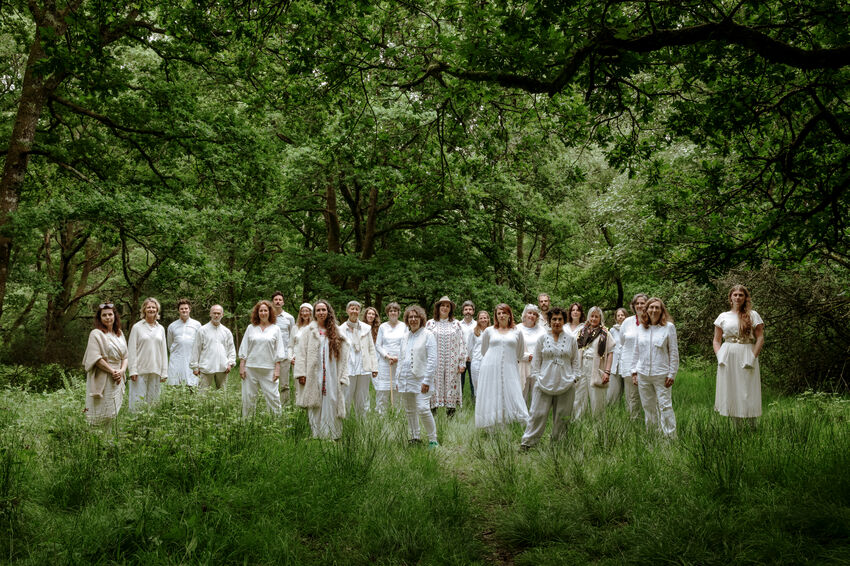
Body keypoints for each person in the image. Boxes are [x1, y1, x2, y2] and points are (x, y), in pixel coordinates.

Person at [521, 307, 579, 448]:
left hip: (565, 383)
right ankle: (528, 443)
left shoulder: (571, 340)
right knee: (537, 414)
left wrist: (574, 378)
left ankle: (558, 445)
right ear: (549, 321)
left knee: (562, 416)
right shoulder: (542, 339)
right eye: (554, 319)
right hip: (543, 382)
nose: (557, 322)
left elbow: (576, 361)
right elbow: (536, 362)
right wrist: (537, 377)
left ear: (564, 321)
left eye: (560, 319)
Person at [294, 300, 350, 439]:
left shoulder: (337, 331)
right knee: (315, 400)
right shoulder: (308, 331)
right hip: (314, 372)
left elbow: (345, 355)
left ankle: (332, 434)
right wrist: (301, 373)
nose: (321, 313)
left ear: (328, 311)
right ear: (314, 313)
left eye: (323, 310)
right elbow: (301, 353)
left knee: (332, 399)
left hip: (332, 371)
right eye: (318, 310)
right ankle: (317, 434)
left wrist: (343, 375)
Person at [713, 285, 765, 425]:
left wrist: (753, 357)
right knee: (731, 389)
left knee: (747, 388)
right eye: (735, 294)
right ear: (730, 297)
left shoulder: (753, 315)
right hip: (727, 355)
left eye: (741, 295)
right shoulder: (723, 316)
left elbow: (760, 338)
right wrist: (720, 356)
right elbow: (716, 340)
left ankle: (752, 425)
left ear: (745, 297)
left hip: (747, 352)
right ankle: (736, 427)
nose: (737, 297)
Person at [475, 304, 529, 429]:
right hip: (490, 367)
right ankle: (492, 423)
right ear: (496, 316)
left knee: (512, 392)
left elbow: (520, 353)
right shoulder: (489, 331)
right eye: (498, 313)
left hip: (510, 367)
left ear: (509, 314)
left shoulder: (517, 331)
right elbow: (484, 351)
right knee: (493, 393)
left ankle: (514, 421)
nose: (501, 315)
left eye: (504, 313)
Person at [631, 297, 679, 437]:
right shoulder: (641, 328)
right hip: (643, 374)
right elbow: (636, 351)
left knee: (665, 406)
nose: (654, 310)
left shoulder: (668, 327)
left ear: (662, 310)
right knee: (648, 406)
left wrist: (672, 374)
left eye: (657, 307)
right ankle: (652, 435)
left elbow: (674, 352)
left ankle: (670, 437)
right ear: (646, 310)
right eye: (651, 307)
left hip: (661, 374)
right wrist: (634, 372)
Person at [394, 305, 439, 447]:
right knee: (409, 410)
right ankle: (415, 437)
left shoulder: (428, 335)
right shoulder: (405, 337)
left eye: (416, 317)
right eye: (410, 317)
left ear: (421, 318)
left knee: (423, 409)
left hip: (421, 379)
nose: (413, 319)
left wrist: (427, 381)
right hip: (405, 378)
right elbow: (401, 359)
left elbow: (432, 360)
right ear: (407, 320)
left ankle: (433, 440)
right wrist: (397, 379)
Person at [238, 300, 286, 417]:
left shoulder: (275, 329)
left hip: (269, 369)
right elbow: (244, 347)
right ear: (257, 313)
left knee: (273, 398)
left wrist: (277, 369)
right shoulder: (251, 328)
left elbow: (279, 350)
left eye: (265, 310)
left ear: (270, 312)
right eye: (261, 311)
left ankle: (276, 422)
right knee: (248, 398)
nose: (263, 313)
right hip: (251, 368)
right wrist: (242, 366)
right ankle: (247, 422)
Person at [82, 302, 127, 427]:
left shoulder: (119, 334)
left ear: (115, 316)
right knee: (100, 410)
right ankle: (96, 435)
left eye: (110, 314)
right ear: (100, 318)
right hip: (104, 375)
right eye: (104, 315)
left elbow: (125, 356)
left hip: (118, 376)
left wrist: (122, 371)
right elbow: (96, 358)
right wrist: (113, 371)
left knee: (112, 412)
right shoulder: (96, 334)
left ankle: (109, 436)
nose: (108, 317)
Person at [426, 296, 467, 417]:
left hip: (452, 362)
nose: (445, 308)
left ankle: (450, 416)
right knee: (434, 385)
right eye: (442, 305)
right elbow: (424, 343)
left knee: (451, 385)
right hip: (435, 362)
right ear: (438, 308)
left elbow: (462, 343)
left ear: (450, 309)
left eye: (447, 306)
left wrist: (462, 362)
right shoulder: (430, 324)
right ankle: (433, 416)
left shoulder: (456, 324)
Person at [127, 297, 168, 411]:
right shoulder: (137, 327)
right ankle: (136, 421)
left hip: (156, 370)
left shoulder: (160, 329)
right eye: (148, 307)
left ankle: (151, 421)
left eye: (153, 307)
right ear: (144, 309)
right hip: (140, 370)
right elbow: (131, 350)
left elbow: (163, 351)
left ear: (157, 310)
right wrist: (132, 370)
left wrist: (164, 372)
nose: (151, 309)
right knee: (137, 402)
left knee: (153, 401)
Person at [339, 300, 378, 416]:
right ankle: (345, 421)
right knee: (346, 397)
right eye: (352, 309)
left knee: (362, 399)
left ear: (359, 312)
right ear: (347, 311)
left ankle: (361, 422)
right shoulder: (340, 330)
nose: (354, 311)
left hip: (363, 368)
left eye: (357, 309)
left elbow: (371, 348)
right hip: (348, 369)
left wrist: (374, 367)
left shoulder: (366, 328)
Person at [574, 307, 614, 419]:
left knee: (597, 398)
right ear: (588, 317)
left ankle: (598, 424)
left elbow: (610, 353)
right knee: (579, 396)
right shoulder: (582, 332)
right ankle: (577, 422)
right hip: (582, 365)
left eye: (596, 316)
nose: (594, 319)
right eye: (592, 316)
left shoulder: (605, 333)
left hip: (596, 366)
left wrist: (607, 372)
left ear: (600, 318)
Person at [190, 304, 236, 391]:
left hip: (223, 367)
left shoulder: (226, 331)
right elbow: (196, 349)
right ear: (210, 314)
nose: (216, 315)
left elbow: (231, 349)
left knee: (222, 394)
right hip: (206, 368)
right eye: (214, 313)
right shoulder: (202, 330)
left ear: (222, 315)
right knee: (202, 394)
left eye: (218, 313)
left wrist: (230, 363)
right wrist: (195, 366)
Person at [617, 294, 648, 419]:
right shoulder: (627, 322)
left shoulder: (651, 321)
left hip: (647, 364)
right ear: (633, 306)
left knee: (648, 396)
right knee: (632, 397)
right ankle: (633, 421)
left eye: (642, 303)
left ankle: (649, 422)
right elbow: (622, 341)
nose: (639, 306)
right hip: (629, 364)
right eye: (637, 303)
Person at [374, 302, 406, 413]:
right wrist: (388, 357)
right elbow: (378, 345)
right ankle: (381, 414)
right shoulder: (383, 327)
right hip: (385, 362)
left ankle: (397, 414)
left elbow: (406, 344)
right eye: (391, 311)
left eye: (395, 311)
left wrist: (398, 357)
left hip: (399, 361)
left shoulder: (404, 326)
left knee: (398, 389)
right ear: (387, 313)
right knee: (383, 389)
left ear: (399, 313)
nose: (393, 313)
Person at [166, 298, 202, 387]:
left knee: (192, 385)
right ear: (178, 310)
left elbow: (200, 344)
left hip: (191, 359)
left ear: (189, 310)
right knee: (176, 384)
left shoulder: (197, 325)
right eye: (181, 309)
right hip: (177, 359)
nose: (184, 310)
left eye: (186, 308)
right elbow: (170, 344)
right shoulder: (172, 326)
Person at [518, 304, 546, 404]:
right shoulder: (517, 329)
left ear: (537, 317)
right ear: (524, 314)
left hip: (538, 366)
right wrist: (528, 357)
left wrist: (537, 357)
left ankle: (535, 413)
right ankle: (521, 413)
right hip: (522, 365)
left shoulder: (542, 330)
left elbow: (546, 347)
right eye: (529, 313)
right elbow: (514, 349)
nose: (531, 315)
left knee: (537, 395)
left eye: (534, 314)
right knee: (521, 394)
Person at [272, 291, 296, 404]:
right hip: (270, 355)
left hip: (285, 355)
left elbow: (293, 337)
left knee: (284, 384)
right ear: (272, 302)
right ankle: (272, 406)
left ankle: (285, 406)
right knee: (270, 382)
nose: (278, 301)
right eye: (276, 300)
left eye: (280, 300)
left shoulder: (289, 318)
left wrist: (292, 354)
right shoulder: (268, 317)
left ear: (283, 302)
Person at [606, 307, 629, 406]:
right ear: (616, 318)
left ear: (626, 316)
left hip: (627, 364)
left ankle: (630, 411)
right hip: (615, 364)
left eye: (622, 315)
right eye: (618, 315)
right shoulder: (612, 330)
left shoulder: (631, 329)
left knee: (629, 393)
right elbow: (610, 348)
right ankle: (613, 409)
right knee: (613, 392)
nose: (620, 317)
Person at [467, 310, 491, 396]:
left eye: (485, 318)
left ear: (488, 319)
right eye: (481, 318)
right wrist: (472, 358)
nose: (483, 320)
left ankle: (488, 402)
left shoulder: (492, 331)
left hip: (489, 361)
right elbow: (470, 347)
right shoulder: (473, 332)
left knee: (488, 384)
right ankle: (478, 402)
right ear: (478, 320)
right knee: (477, 383)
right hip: (476, 361)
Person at [458, 300, 477, 398]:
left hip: (473, 358)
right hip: (460, 357)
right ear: (463, 311)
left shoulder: (477, 325)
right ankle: (458, 402)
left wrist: (471, 355)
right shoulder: (458, 324)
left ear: (473, 311)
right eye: (466, 309)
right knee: (459, 382)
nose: (468, 311)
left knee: (474, 381)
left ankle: (474, 402)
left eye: (470, 309)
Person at [289, 302, 314, 367]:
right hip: (296, 359)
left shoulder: (314, 327)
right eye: (302, 311)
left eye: (307, 311)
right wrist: (290, 358)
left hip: (310, 360)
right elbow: (290, 346)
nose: (304, 313)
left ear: (310, 313)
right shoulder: (295, 328)